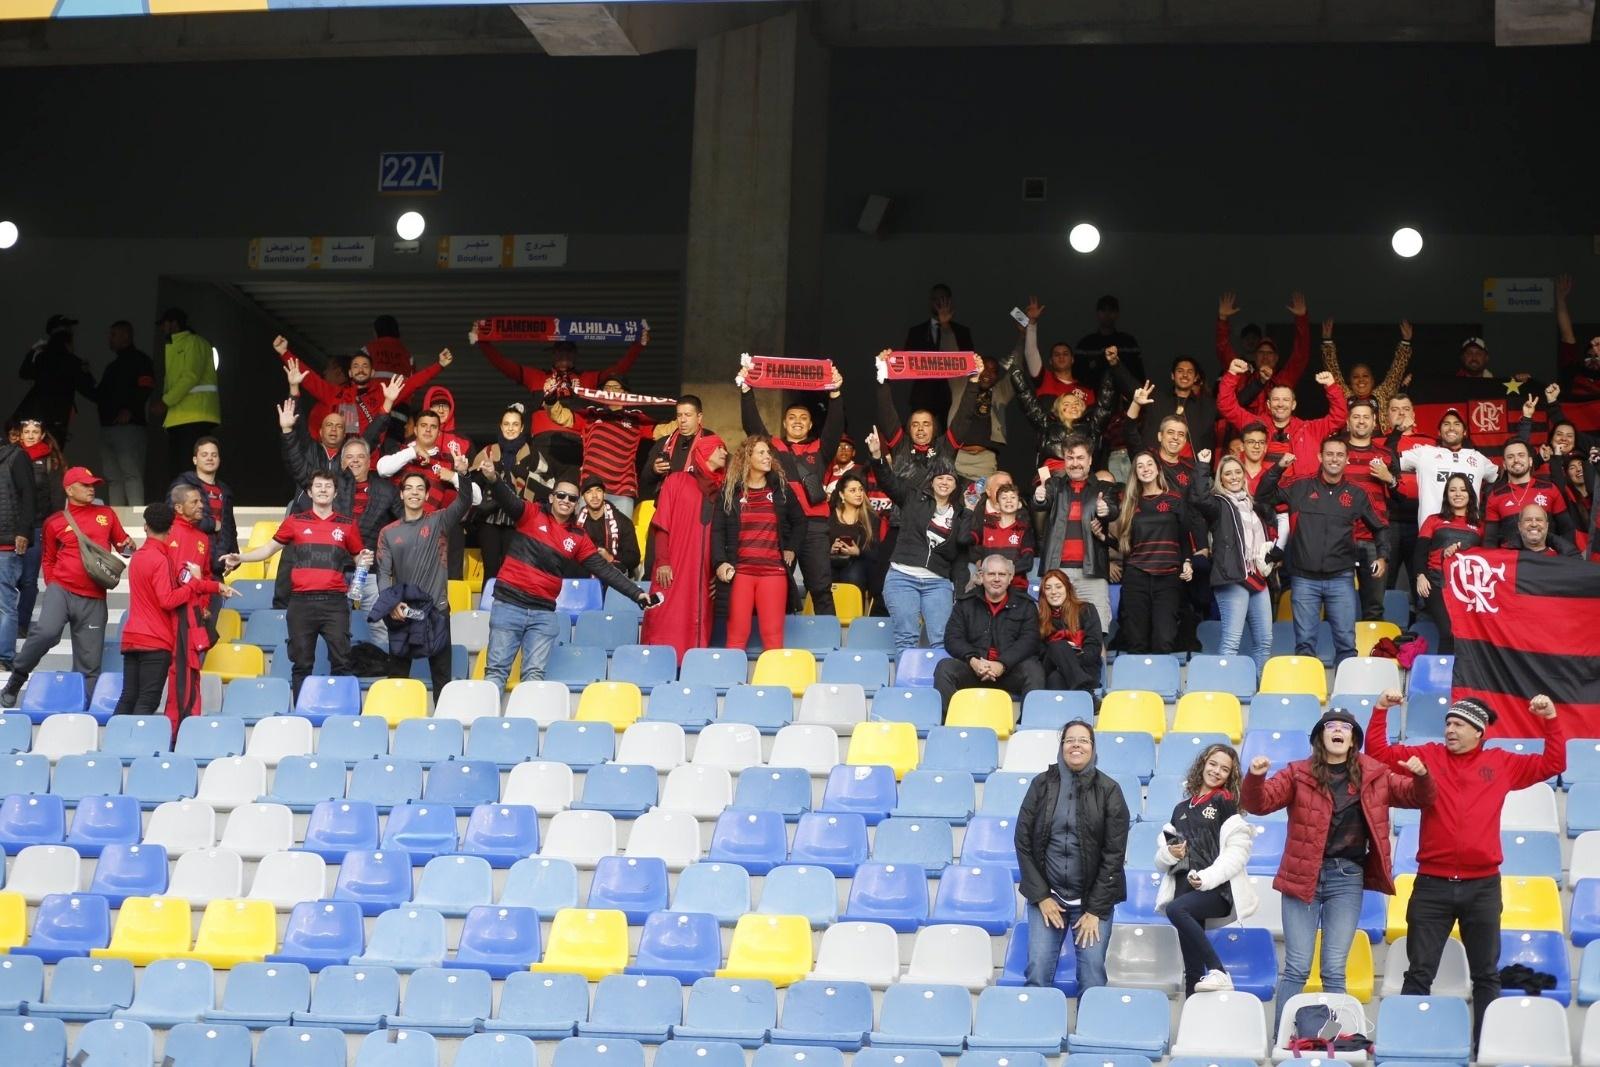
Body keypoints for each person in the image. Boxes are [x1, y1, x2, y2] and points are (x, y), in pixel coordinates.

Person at [1366, 692, 1565, 1050]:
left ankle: (1484, 1048)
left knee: (1486, 975)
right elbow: (1378, 753)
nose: (1449, 730)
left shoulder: (1502, 763)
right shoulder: (1427, 755)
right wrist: (1380, 711)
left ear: (1479, 731)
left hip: (1483, 887)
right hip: (1431, 885)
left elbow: (1553, 763)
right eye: (1447, 723)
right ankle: (1409, 1045)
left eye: (1458, 724)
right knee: (1419, 972)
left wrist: (1550, 719)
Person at [1244, 706, 1435, 1032]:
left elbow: (1420, 797)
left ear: (1353, 739)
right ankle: (1281, 1040)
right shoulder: (1297, 772)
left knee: (1333, 968)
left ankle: (1341, 1040)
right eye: (1330, 726)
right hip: (1302, 876)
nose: (1338, 730)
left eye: (1344, 727)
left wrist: (1422, 776)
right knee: (1296, 968)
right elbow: (1257, 804)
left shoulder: (1376, 774)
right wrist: (1256, 777)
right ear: (1321, 736)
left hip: (1346, 878)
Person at [478, 464, 654, 687]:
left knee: (534, 678)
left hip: (543, 614)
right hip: (509, 605)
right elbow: (508, 499)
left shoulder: (578, 537)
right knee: (496, 673)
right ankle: (490, 721)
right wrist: (493, 479)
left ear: (576, 503)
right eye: (561, 495)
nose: (565, 501)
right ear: (551, 497)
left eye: (572, 498)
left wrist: (637, 594)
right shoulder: (530, 513)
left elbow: (605, 570)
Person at [223, 471, 373, 697]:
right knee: (302, 663)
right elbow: (267, 550)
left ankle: (342, 715)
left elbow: (357, 558)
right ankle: (302, 714)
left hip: (335, 603)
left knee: (342, 661)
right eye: (318, 486)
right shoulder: (294, 521)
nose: (323, 490)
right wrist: (240, 557)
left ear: (335, 493)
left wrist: (364, 559)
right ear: (310, 492)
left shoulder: (347, 525)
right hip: (301, 603)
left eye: (328, 486)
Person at [0, 467, 134, 707]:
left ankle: (85, 711)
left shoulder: (107, 514)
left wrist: (128, 547)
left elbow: (122, 545)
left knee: (90, 663)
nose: (91, 488)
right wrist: (53, 585)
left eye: (93, 484)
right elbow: (49, 559)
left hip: (94, 596)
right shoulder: (55, 522)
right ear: (69, 490)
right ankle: (16, 680)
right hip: (61, 590)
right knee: (46, 633)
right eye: (85, 485)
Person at [1015, 719, 1131, 990]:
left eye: (1083, 740)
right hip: (1048, 898)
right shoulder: (1040, 785)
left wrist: (1094, 910)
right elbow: (1023, 841)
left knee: (1092, 972)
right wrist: (1042, 896)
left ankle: (1092, 1030)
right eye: (1070, 740)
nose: (1076, 744)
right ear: (1061, 746)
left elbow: (1114, 854)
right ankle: (1036, 1031)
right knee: (1038, 968)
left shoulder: (1110, 790)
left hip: (1093, 902)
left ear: (1093, 748)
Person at [1257, 441, 1389, 666]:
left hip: (1341, 578)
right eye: (1329, 454)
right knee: (1305, 644)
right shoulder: (1300, 486)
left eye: (1339, 455)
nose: (1334, 459)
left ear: (1347, 458)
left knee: (1346, 644)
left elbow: (1380, 526)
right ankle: (1305, 697)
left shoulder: (1357, 493)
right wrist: (1278, 468)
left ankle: (1347, 697)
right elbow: (1262, 495)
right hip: (1304, 578)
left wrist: (1382, 556)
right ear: (1320, 456)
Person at [738, 366, 845, 616]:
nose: (797, 421)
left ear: (809, 425)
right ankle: (779, 644)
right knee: (777, 587)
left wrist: (836, 393)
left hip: (815, 528)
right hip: (781, 525)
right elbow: (751, 424)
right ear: (784, 423)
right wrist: (745, 389)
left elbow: (835, 425)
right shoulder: (771, 447)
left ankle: (828, 645)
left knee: (820, 588)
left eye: (803, 418)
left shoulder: (821, 448)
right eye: (792, 417)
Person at [1154, 743, 1257, 994]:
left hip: (1214, 889)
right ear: (1202, 765)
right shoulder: (1180, 809)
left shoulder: (1224, 801)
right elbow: (1162, 856)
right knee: (1191, 969)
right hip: (1182, 885)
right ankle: (1191, 1026)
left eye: (1224, 769)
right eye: (1212, 764)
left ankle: (1219, 970)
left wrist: (1207, 878)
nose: (1216, 771)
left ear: (1230, 776)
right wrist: (1170, 853)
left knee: (1176, 910)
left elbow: (1237, 852)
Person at [119, 502, 233, 726]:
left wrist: (215, 587)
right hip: (156, 640)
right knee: (147, 701)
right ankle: (134, 746)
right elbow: (168, 599)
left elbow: (184, 581)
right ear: (171, 529)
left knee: (128, 697)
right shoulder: (161, 559)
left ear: (145, 527)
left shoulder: (139, 557)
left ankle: (114, 745)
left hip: (132, 636)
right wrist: (194, 587)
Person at [639, 396, 728, 659]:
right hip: (670, 529)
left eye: (687, 415)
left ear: (699, 417)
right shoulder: (664, 447)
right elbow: (643, 483)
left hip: (699, 548)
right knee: (663, 595)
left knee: (696, 605)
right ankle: (660, 658)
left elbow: (723, 529)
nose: (682, 420)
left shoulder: (713, 447)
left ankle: (692, 659)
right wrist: (655, 471)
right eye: (679, 415)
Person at [372, 472, 471, 699]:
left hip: (436, 610)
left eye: (419, 489)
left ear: (427, 494)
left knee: (441, 676)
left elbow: (465, 500)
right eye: (409, 488)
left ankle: (444, 726)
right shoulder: (388, 532)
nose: (414, 492)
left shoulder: (439, 521)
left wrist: (462, 474)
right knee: (398, 676)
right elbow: (384, 573)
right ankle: (396, 726)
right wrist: (391, 603)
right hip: (403, 611)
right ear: (401, 493)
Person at [865, 430, 964, 652]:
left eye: (950, 479)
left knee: (941, 640)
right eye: (940, 478)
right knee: (906, 639)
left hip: (938, 582)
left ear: (956, 484)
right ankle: (905, 687)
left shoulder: (960, 513)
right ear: (932, 480)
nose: (945, 482)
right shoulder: (912, 498)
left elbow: (964, 545)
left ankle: (938, 687)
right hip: (902, 578)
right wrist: (877, 456)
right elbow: (888, 481)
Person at [474, 320, 647, 440]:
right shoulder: (535, 376)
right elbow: (503, 365)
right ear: (552, 354)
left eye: (569, 351)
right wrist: (483, 342)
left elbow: (618, 371)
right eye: (560, 351)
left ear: (575, 355)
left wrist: (638, 345)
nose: (564, 355)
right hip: (544, 440)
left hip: (577, 439)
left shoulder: (588, 378)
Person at [713, 435, 805, 652]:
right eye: (761, 453)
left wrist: (792, 548)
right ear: (748, 457)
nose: (767, 457)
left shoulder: (780, 489)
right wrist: (720, 563)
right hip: (740, 573)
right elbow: (717, 531)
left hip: (773, 573)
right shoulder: (730, 491)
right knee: (737, 635)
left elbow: (800, 521)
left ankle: (773, 686)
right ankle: (731, 684)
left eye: (768, 453)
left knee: (773, 638)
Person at [1188, 450, 1275, 671]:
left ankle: (1259, 692)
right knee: (1231, 642)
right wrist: (1202, 465)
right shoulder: (1217, 504)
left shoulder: (1253, 504)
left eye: (1238, 472)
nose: (1234, 476)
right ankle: (1225, 691)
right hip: (1232, 577)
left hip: (1259, 575)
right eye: (1228, 473)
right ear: (1221, 479)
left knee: (1264, 642)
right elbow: (1198, 498)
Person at [272, 334, 448, 436]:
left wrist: (438, 365)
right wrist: (284, 353)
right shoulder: (335, 394)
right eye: (355, 366)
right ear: (349, 373)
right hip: (342, 463)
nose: (360, 370)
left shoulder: (383, 393)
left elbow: (413, 383)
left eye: (365, 366)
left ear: (372, 372)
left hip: (372, 466)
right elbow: (309, 377)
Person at [933, 554, 1045, 712]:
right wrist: (973, 661)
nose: (997, 579)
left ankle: (1027, 725)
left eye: (1002, 574)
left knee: (1034, 670)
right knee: (944, 668)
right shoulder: (965, 603)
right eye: (991, 574)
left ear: (1010, 577)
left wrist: (1002, 664)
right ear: (981, 576)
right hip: (974, 669)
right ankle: (950, 723)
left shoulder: (1025, 605)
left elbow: (1030, 641)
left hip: (1010, 671)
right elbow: (952, 638)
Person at [1111, 452, 1194, 654]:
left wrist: (1187, 561)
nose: (1145, 468)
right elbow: (1124, 544)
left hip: (1167, 578)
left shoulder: (1174, 499)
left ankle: (1160, 685)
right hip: (1136, 576)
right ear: (1135, 472)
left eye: (1149, 464)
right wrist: (1100, 536)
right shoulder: (1129, 503)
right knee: (1136, 641)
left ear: (1158, 469)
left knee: (1164, 640)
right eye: (1140, 466)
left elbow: (1184, 536)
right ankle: (1137, 686)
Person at [1034, 436, 1115, 630]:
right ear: (1064, 460)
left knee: (1097, 633)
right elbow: (1041, 503)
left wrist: (1105, 510)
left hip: (1093, 572)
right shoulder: (1054, 485)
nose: (1075, 463)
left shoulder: (1104, 488)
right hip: (1058, 572)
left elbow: (1113, 508)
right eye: (1070, 458)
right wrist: (1039, 497)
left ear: (1090, 460)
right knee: (1056, 632)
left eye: (1080, 458)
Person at [1219, 363, 1349, 485]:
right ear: (1268, 405)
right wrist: (1232, 374)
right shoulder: (1255, 425)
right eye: (1276, 400)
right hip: (1260, 495)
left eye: (1286, 400)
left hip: (1298, 498)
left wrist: (1331, 386)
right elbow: (1227, 406)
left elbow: (1339, 417)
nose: (1280, 404)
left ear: (1293, 405)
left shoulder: (1309, 429)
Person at [470, 403, 550, 579]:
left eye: (515, 424)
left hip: (519, 520)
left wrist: (523, 473)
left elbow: (549, 485)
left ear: (522, 428)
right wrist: (487, 473)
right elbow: (472, 484)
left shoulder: (533, 454)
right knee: (490, 570)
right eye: (506, 424)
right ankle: (487, 607)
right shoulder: (489, 451)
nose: (510, 428)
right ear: (500, 426)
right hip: (489, 518)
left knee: (512, 571)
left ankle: (508, 607)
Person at [1340, 398, 1398, 621]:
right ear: (1348, 422)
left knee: (1374, 607)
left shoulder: (1385, 455)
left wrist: (1389, 478)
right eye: (1356, 417)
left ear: (1374, 422)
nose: (1361, 421)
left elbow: (1400, 495)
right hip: (1341, 540)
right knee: (1337, 607)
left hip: (1375, 541)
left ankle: (1372, 655)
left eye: (1366, 417)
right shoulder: (1337, 453)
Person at [1413, 473, 1483, 653]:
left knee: (1465, 633)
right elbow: (1420, 552)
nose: (1458, 494)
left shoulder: (1481, 525)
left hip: (1466, 587)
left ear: (1470, 494)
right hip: (1436, 582)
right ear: (1446, 495)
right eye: (1452, 490)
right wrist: (1420, 576)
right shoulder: (1433, 520)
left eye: (1462, 490)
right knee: (1449, 630)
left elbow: (1486, 556)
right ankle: (1443, 677)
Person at [1215, 291, 1312, 416]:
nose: (1265, 356)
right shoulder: (1244, 377)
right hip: (1246, 432)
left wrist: (1301, 318)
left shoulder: (1284, 378)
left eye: (1269, 353)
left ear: (1276, 358)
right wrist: (1222, 320)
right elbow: (1223, 351)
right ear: (1255, 357)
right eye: (1261, 352)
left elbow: (1301, 353)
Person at [572, 375, 657, 517]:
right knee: (584, 536)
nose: (611, 391)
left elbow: (662, 430)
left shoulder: (637, 419)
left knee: (621, 537)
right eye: (607, 388)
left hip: (622, 493)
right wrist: (551, 400)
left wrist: (684, 415)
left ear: (626, 394)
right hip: (590, 489)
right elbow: (561, 416)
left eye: (616, 388)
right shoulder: (591, 415)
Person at [1398, 408, 1500, 525]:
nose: (1451, 428)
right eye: (1446, 424)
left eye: (1457, 424)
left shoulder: (1478, 458)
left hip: (1469, 532)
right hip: (1431, 533)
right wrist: (1397, 432)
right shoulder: (1424, 453)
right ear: (1439, 432)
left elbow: (1504, 476)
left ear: (1465, 431)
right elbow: (1389, 459)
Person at [13, 419, 64, 640]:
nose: (31, 435)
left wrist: (54, 527)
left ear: (43, 435)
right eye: (27, 432)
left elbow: (56, 497)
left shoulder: (50, 460)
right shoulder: (11, 457)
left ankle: (21, 624)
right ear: (20, 435)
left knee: (28, 579)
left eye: (36, 432)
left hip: (37, 527)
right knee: (9, 578)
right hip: (11, 528)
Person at [1111, 354, 1217, 461]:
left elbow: (1228, 407)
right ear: (1172, 375)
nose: (1185, 375)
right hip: (1157, 466)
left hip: (1191, 470)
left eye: (1190, 372)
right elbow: (1132, 387)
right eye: (1180, 371)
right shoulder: (1157, 399)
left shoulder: (1206, 407)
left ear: (1195, 378)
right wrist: (1116, 365)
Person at [95, 320, 155, 506]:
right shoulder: (112, 367)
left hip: (129, 427)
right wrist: (82, 376)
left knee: (131, 475)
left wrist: (130, 409)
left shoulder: (140, 360)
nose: (109, 339)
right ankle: (117, 523)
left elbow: (146, 387)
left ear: (126, 336)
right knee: (114, 478)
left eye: (113, 335)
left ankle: (136, 521)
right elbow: (99, 395)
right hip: (109, 428)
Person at [14, 314, 96, 448]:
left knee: (31, 459)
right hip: (56, 422)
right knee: (50, 459)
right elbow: (90, 391)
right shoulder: (72, 361)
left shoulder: (40, 356)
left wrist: (33, 352)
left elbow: (24, 373)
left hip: (31, 419)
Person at [153, 308, 221, 464]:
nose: (162, 329)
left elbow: (190, 376)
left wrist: (165, 401)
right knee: (180, 469)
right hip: (181, 416)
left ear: (174, 324)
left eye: (164, 324)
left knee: (187, 468)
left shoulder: (194, 342)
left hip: (194, 415)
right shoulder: (176, 345)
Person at [903, 283, 974, 432]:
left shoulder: (962, 332)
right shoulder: (916, 332)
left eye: (942, 298)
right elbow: (906, 364)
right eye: (935, 299)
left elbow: (969, 364)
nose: (938, 303)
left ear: (949, 300)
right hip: (922, 397)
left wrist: (946, 326)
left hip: (953, 397)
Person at [1384, 393, 1434, 594]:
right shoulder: (1379, 440)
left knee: (1421, 580)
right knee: (1385, 580)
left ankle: (1421, 624)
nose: (1400, 413)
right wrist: (1396, 433)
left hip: (1421, 521)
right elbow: (1386, 458)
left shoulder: (1430, 442)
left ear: (1413, 414)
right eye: (1395, 410)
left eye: (1405, 409)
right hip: (1389, 521)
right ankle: (1381, 625)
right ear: (1387, 416)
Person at [1482, 438, 1573, 548]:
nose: (1516, 460)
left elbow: (1567, 529)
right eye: (1510, 457)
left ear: (1530, 461)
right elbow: (1490, 540)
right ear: (1504, 465)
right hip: (1512, 562)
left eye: (1521, 455)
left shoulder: (1550, 488)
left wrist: (1565, 558)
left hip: (1547, 561)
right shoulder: (1495, 496)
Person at [169, 437, 238, 578]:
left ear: (219, 459)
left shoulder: (225, 491)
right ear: (195, 460)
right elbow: (172, 515)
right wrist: (212, 524)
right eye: (204, 455)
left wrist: (234, 556)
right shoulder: (183, 484)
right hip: (188, 562)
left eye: (214, 455)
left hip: (216, 566)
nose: (210, 459)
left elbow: (229, 527)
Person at [1320, 317, 1413, 410]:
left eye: (1365, 376)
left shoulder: (1383, 395)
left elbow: (1395, 374)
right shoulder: (1344, 398)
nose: (1361, 380)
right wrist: (1327, 341)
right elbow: (1333, 373)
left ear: (1373, 381)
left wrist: (1406, 342)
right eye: (1355, 377)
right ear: (1350, 383)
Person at [947, 355, 1016, 480]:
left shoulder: (1000, 393)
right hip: (958, 457)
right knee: (954, 497)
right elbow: (950, 357)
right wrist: (948, 334)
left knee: (983, 497)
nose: (988, 373)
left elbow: (1016, 371)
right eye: (984, 367)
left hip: (985, 461)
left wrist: (1024, 339)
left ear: (997, 377)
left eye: (993, 371)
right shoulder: (960, 386)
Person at [1035, 569, 1103, 692]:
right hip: (1051, 666)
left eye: (1058, 587)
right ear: (1043, 592)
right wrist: (1062, 651)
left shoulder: (1086, 610)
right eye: (1048, 588)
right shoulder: (1039, 618)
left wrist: (1070, 656)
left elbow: (1094, 647)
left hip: (1085, 668)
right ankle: (1086, 693)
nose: (1053, 592)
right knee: (1058, 645)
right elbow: (1039, 653)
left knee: (1056, 679)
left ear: (1067, 588)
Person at [0, 435, 35, 671]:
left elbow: (29, 497)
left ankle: (3, 657)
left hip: (7, 542)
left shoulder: (16, 456)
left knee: (4, 603)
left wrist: (23, 531)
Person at [961, 480, 1034, 589]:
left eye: (1013, 497)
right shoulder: (987, 527)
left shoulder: (1024, 529)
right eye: (1004, 498)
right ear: (997, 505)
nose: (1009, 501)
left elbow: (1027, 563)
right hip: (988, 588)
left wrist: (1000, 573)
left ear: (1019, 504)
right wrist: (969, 510)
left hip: (1016, 588)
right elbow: (963, 539)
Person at [573, 475, 641, 578]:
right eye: (588, 492)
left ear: (604, 494)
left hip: (614, 575)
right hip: (584, 573)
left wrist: (610, 557)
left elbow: (634, 558)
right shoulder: (575, 523)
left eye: (598, 490)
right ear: (583, 497)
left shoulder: (623, 521)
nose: (594, 495)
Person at [827, 473, 875, 597]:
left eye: (860, 490)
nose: (859, 494)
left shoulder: (871, 517)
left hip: (860, 562)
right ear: (842, 494)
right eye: (853, 490)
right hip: (831, 561)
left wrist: (858, 552)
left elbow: (876, 550)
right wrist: (830, 549)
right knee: (824, 575)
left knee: (853, 575)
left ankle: (852, 615)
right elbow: (818, 543)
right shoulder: (829, 514)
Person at [1554, 275, 1600, 399]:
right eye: (1590, 356)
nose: (1593, 360)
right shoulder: (1574, 371)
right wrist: (1560, 299)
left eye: (1597, 356)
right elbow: (1567, 334)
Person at [362, 314, 414, 380]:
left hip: (375, 389)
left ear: (376, 332)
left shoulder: (367, 350)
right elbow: (413, 380)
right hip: (401, 389)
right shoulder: (407, 354)